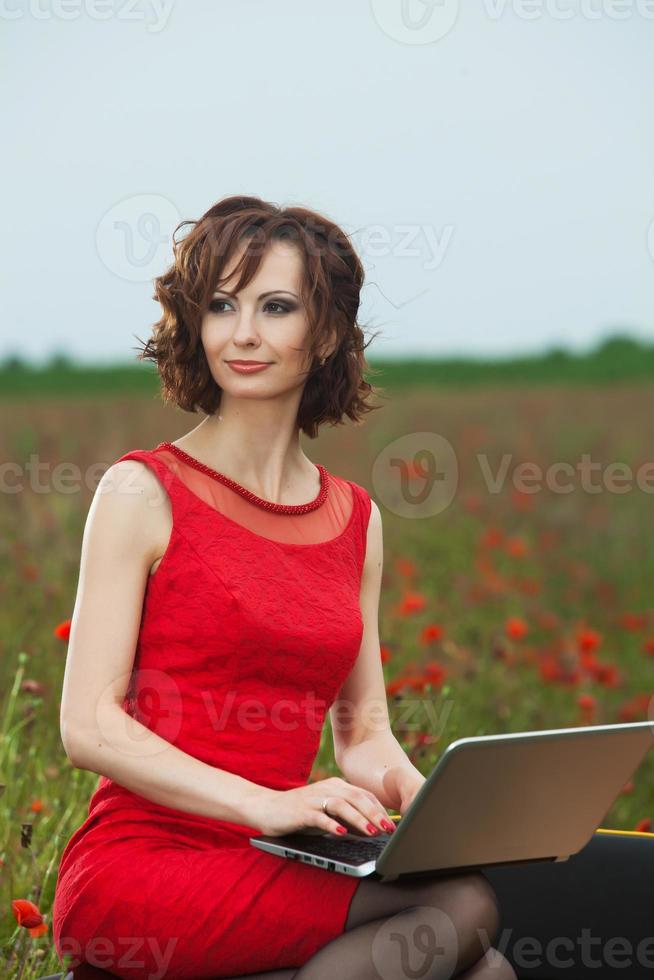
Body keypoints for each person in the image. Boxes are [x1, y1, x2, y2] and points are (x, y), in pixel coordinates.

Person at [52, 195, 517, 980]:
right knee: (461, 909)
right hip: (146, 864)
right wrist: (259, 801)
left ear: (327, 331)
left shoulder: (355, 519)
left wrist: (413, 793)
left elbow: (362, 735)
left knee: (488, 970)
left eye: (275, 308)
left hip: (283, 852)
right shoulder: (143, 491)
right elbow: (87, 727)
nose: (242, 334)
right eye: (222, 306)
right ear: (194, 323)